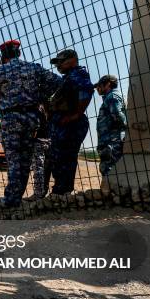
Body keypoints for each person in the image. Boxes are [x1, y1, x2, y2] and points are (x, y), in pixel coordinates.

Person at [0, 39, 62, 207]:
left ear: (3, 56)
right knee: (26, 160)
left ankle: (12, 200)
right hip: (31, 119)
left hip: (11, 118)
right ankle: (17, 196)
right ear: (19, 53)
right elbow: (57, 81)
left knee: (13, 160)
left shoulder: (1, 70)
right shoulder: (34, 68)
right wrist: (39, 96)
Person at [45, 49, 94, 195]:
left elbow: (87, 91)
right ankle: (61, 189)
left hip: (70, 124)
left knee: (65, 158)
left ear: (72, 60)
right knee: (58, 157)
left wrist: (76, 115)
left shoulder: (78, 74)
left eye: (60, 61)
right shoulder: (68, 77)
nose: (58, 65)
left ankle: (63, 191)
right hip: (62, 124)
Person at [94, 74, 127, 181]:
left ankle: (111, 193)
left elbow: (118, 117)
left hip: (112, 141)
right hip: (111, 139)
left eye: (99, 86)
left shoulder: (112, 97)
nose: (97, 89)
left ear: (108, 84)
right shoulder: (111, 97)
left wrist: (114, 135)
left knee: (109, 169)